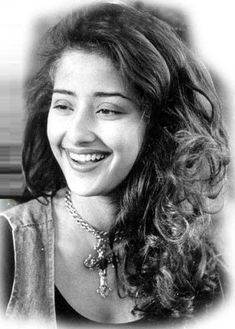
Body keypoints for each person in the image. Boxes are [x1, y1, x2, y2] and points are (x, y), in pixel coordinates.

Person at [0, 1, 230, 327]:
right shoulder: (7, 243)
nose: (77, 134)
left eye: (108, 109)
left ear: (157, 125)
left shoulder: (201, 265)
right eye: (63, 104)